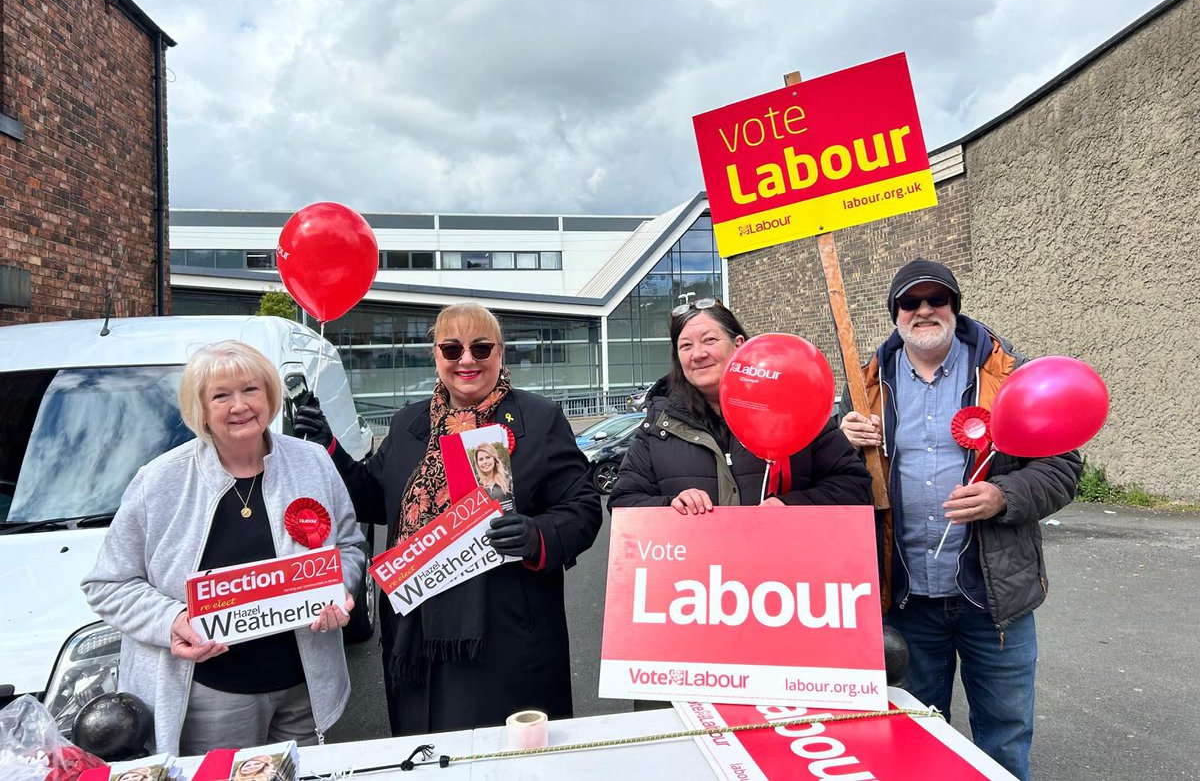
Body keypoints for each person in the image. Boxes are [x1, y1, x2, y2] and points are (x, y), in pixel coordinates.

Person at [292, 302, 601, 735]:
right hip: (417, 632)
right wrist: (329, 449)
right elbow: (375, 501)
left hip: (506, 630)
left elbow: (583, 507)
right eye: (453, 349)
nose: (467, 360)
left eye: (481, 347)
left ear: (500, 352)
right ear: (435, 355)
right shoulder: (407, 423)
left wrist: (537, 535)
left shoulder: (538, 418)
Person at [839, 259, 1081, 781]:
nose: (925, 310)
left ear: (955, 307)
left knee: (1005, 736)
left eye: (937, 300)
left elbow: (1062, 465)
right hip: (905, 600)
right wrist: (845, 442)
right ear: (895, 314)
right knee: (915, 738)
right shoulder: (865, 387)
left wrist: (1003, 495)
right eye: (911, 302)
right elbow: (839, 483)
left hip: (993, 602)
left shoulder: (1008, 374)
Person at [82, 341, 365, 756]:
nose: (240, 406)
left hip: (304, 690)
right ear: (201, 409)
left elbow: (350, 547)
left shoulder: (313, 461)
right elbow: (107, 584)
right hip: (211, 699)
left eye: (251, 389)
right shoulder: (159, 481)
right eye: (221, 395)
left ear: (269, 394)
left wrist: (340, 587)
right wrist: (172, 619)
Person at [609, 298, 872, 513]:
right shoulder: (658, 425)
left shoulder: (794, 409)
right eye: (685, 346)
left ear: (739, 345)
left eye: (709, 340)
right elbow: (623, 502)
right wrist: (671, 506)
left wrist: (791, 505)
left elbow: (854, 486)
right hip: (701, 575)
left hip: (785, 572)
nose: (698, 354)